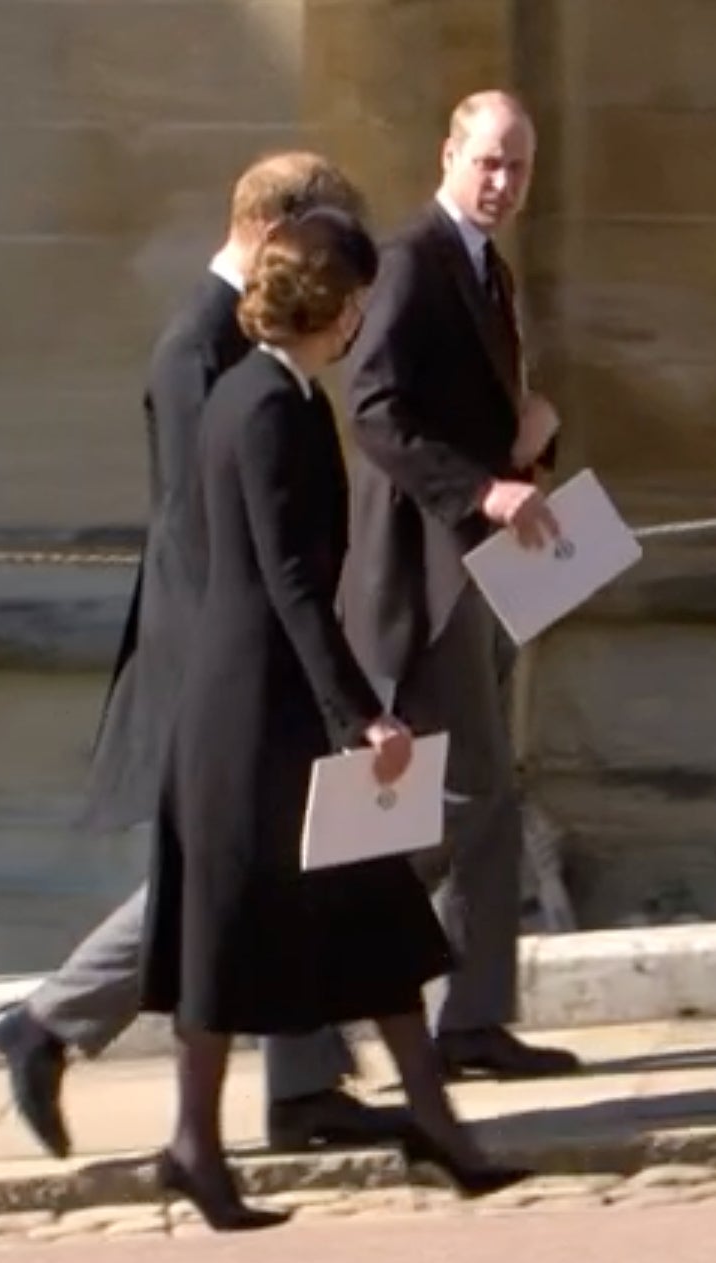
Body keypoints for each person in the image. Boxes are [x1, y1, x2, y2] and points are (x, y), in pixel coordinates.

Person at [0, 153, 401, 1161]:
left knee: (291, 861)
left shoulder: (242, 338)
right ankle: (48, 1024)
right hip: (226, 654)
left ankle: (302, 1087)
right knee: (225, 875)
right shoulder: (201, 347)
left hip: (256, 647)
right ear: (274, 232)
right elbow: (210, 527)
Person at [139, 208, 530, 1232]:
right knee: (224, 935)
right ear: (331, 303)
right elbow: (291, 584)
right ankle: (196, 1146)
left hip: (282, 701)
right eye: (355, 300)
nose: (363, 318)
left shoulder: (278, 396)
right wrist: (361, 715)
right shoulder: (265, 407)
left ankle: (434, 1122)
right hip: (255, 713)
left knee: (377, 910)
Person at [333, 89, 579, 1080]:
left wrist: (534, 445)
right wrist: (480, 490)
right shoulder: (411, 262)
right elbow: (375, 410)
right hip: (422, 575)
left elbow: (476, 409)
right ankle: (406, 1013)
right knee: (445, 803)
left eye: (517, 167)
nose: (501, 183)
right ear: (447, 154)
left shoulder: (489, 270)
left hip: (474, 568)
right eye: (486, 162)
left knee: (439, 805)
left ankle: (431, 1014)